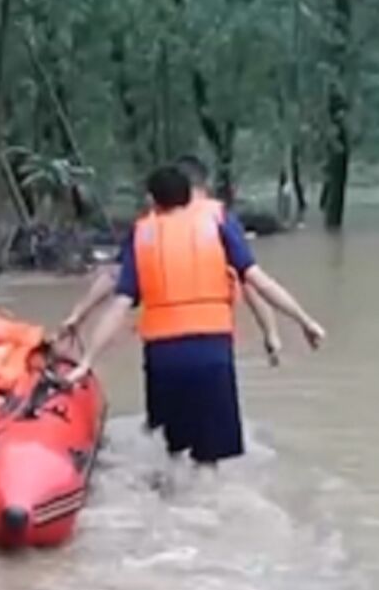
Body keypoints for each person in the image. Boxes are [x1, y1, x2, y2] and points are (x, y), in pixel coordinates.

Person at [63, 164, 325, 477]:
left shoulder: (142, 234)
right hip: (212, 354)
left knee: (172, 452)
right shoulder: (218, 222)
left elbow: (118, 303)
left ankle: (170, 505)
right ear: (191, 194)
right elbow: (259, 284)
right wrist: (304, 321)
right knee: (208, 461)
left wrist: (87, 359)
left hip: (164, 359)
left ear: (153, 201)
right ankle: (207, 509)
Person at [62, 157, 283, 366]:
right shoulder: (218, 221)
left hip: (163, 347)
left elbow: (115, 279)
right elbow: (251, 281)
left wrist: (78, 315)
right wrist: (271, 333)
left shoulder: (148, 228)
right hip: (212, 343)